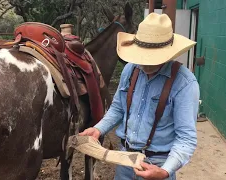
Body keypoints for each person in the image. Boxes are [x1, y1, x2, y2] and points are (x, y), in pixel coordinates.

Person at [79, 13, 199, 180]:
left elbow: (186, 139)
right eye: (141, 55)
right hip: (125, 159)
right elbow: (118, 108)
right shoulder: (131, 70)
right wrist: (99, 129)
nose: (145, 62)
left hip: (159, 163)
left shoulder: (184, 83)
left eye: (152, 57)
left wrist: (165, 171)